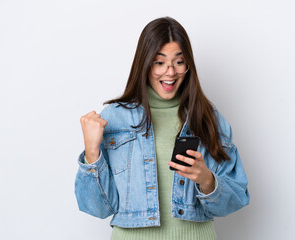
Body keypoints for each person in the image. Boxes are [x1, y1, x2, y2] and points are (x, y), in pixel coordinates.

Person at [75, 17, 250, 240]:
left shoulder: (209, 119)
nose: (170, 72)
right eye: (159, 62)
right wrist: (92, 154)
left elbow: (237, 198)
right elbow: (97, 208)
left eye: (179, 61)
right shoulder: (114, 118)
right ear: (145, 64)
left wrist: (207, 180)